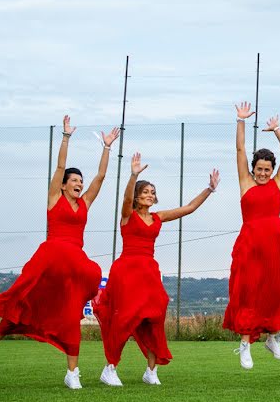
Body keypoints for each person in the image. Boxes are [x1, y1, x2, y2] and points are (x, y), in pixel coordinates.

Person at [0, 115, 120, 390]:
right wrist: (66, 137)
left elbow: (101, 177)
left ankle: (72, 373)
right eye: (74, 180)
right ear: (63, 185)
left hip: (72, 266)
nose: (79, 183)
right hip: (49, 260)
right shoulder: (54, 198)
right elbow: (60, 165)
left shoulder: (85, 203)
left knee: (70, 315)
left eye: (80, 180)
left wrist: (107, 147)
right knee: (23, 299)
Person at [94, 152, 219, 387]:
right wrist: (133, 176)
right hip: (126, 271)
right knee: (124, 319)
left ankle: (151, 371)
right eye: (145, 192)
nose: (150, 195)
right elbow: (125, 198)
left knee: (155, 317)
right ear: (137, 197)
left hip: (149, 272)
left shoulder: (158, 217)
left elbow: (189, 208)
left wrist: (209, 190)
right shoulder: (127, 216)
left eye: (152, 192)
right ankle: (110, 368)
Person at [223, 102, 280, 369]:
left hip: (276, 245)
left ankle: (273, 337)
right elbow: (240, 150)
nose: (263, 173)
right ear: (253, 169)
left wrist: (276, 129)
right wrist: (240, 121)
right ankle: (245, 344)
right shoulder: (245, 182)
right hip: (250, 245)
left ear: (272, 170)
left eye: (267, 169)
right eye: (259, 169)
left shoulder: (278, 183)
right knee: (249, 292)